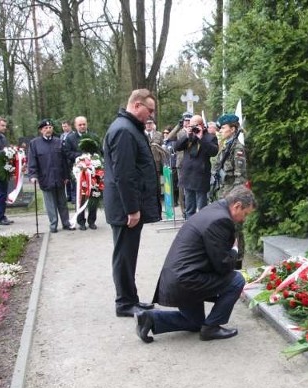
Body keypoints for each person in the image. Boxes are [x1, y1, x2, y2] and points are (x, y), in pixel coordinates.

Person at [135, 186, 256, 343]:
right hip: (187, 281)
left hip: (180, 277)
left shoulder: (213, 209)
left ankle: (150, 319)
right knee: (237, 280)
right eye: (245, 214)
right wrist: (234, 250)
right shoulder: (222, 220)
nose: (244, 219)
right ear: (237, 205)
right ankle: (211, 327)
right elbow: (223, 266)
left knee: (195, 322)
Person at [103, 89, 161, 318]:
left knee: (128, 254)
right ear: (137, 105)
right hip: (125, 209)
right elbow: (124, 175)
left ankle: (131, 299)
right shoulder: (124, 131)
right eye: (150, 110)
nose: (152, 115)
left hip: (127, 207)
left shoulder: (129, 128)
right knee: (124, 255)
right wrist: (133, 209)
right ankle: (125, 303)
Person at [211, 113, 249, 268]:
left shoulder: (237, 148)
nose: (221, 130)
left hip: (232, 196)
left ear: (233, 129)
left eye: (224, 127)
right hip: (223, 193)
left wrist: (236, 201)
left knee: (235, 229)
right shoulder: (226, 145)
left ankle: (238, 261)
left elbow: (240, 178)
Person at [28, 119, 75, 234]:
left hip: (59, 177)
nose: (48, 130)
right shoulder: (34, 143)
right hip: (45, 177)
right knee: (50, 204)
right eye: (45, 128)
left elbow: (64, 160)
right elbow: (32, 161)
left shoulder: (58, 142)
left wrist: (66, 176)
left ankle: (66, 223)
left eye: (50, 128)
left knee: (62, 202)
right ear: (41, 130)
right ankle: (53, 224)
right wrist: (33, 175)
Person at [174, 114, 218, 219]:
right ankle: (190, 227)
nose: (193, 128)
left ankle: (202, 227)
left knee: (202, 206)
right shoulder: (189, 137)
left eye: (195, 126)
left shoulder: (210, 137)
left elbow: (213, 152)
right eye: (191, 126)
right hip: (188, 175)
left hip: (201, 176)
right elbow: (177, 147)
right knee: (189, 207)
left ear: (202, 125)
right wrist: (187, 135)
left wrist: (201, 138)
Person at [65, 116, 100, 230]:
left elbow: (100, 151)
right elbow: (67, 153)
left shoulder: (93, 136)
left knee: (93, 195)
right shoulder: (70, 138)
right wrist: (81, 157)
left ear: (87, 124)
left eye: (84, 124)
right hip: (79, 173)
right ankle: (81, 221)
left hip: (93, 172)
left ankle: (92, 221)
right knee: (80, 196)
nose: (82, 126)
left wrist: (94, 158)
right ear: (75, 126)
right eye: (80, 125)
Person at [60, 120, 74, 202]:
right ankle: (68, 195)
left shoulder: (73, 135)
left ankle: (73, 196)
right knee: (66, 178)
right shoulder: (62, 136)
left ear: (69, 126)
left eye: (65, 126)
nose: (64, 128)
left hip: (71, 159)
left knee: (72, 178)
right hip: (64, 160)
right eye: (63, 126)